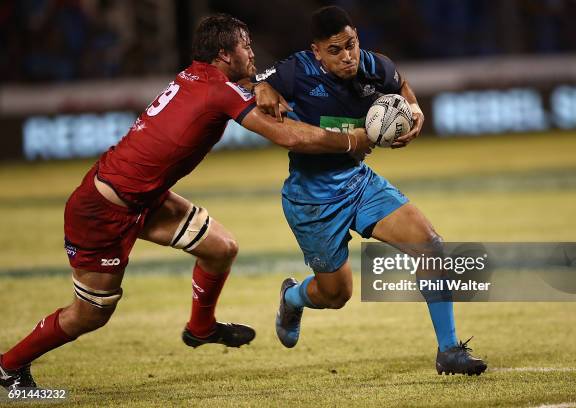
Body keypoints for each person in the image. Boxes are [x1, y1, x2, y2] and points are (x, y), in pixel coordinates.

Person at [0, 13, 372, 391]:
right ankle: (8, 367)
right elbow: (287, 137)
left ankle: (200, 328)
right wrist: (351, 141)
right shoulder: (220, 91)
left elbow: (244, 84)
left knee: (221, 249)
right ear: (225, 54)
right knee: (90, 314)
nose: (252, 52)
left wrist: (258, 83)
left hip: (142, 198)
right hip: (103, 211)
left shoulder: (198, 75)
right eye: (246, 46)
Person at [253, 6, 487, 375]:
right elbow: (255, 81)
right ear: (317, 51)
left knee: (430, 245)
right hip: (311, 198)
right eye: (335, 50)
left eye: (351, 44)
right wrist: (261, 88)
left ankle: (449, 351)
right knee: (336, 295)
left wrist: (415, 112)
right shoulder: (296, 71)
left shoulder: (376, 67)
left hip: (359, 182)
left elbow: (403, 88)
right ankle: (292, 297)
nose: (347, 56)